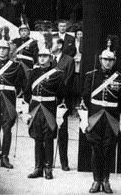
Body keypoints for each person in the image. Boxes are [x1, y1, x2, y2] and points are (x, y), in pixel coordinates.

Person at [82, 46, 121, 193]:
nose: (108, 62)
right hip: (95, 117)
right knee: (96, 149)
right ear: (101, 60)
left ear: (114, 61)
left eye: (111, 60)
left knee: (108, 150)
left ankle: (106, 181)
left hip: (111, 118)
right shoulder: (91, 76)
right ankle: (96, 180)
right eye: (105, 59)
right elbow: (85, 99)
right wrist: (85, 119)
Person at [23, 47, 65, 179]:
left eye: (45, 56)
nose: (42, 58)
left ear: (50, 58)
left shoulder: (57, 74)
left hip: (49, 108)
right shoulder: (33, 73)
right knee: (37, 138)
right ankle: (38, 168)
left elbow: (61, 94)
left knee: (48, 138)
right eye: (40, 56)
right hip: (35, 109)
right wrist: (27, 110)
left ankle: (48, 168)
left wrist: (59, 113)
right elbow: (27, 92)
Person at [0, 39, 26, 168]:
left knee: (7, 128)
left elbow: (21, 84)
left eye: (4, 48)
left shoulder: (16, 66)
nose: (2, 50)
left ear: (8, 50)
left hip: (8, 100)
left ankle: (5, 157)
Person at [50, 36, 75, 171]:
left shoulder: (69, 60)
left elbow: (69, 80)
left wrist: (59, 94)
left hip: (62, 100)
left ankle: (64, 162)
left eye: (52, 43)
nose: (50, 46)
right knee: (48, 130)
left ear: (59, 45)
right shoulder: (48, 59)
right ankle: (48, 160)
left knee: (63, 131)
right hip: (48, 100)